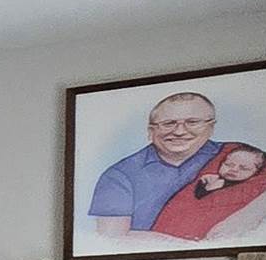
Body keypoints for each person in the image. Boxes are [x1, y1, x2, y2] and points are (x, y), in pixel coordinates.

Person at [87, 90, 233, 241]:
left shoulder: (237, 156)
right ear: (151, 131)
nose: (179, 131)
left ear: (211, 127)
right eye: (168, 124)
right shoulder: (119, 175)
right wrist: (192, 246)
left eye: (192, 122)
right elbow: (111, 239)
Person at [149, 142, 266, 241]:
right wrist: (205, 186)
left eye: (244, 168)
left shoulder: (248, 190)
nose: (234, 169)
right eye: (228, 164)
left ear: (255, 174)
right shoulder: (207, 180)